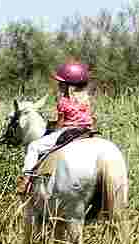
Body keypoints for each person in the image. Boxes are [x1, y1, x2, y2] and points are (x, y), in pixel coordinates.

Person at [18, 61, 95, 194]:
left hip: (69, 131)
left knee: (33, 147)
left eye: (61, 83)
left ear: (67, 86)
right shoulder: (86, 100)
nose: (59, 85)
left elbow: (60, 124)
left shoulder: (63, 102)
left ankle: (26, 179)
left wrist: (52, 128)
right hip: (86, 131)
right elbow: (90, 118)